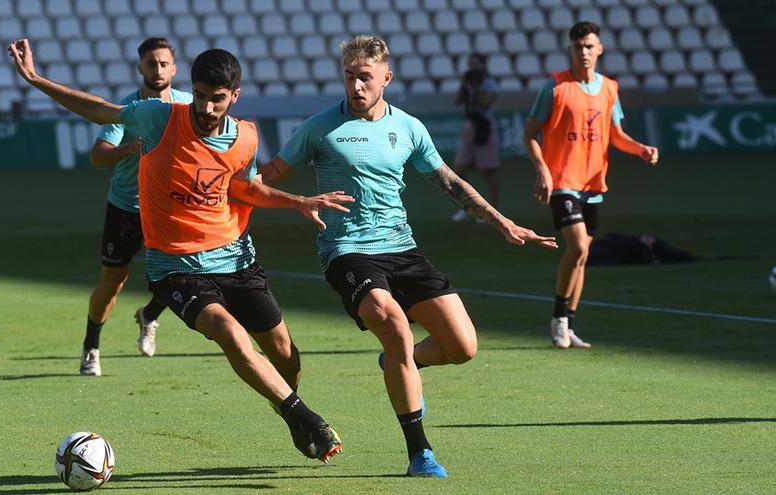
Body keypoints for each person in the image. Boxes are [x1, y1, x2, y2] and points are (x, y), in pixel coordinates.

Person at [8, 39, 349, 462]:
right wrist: (36, 79)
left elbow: (245, 188)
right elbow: (99, 109)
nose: (206, 108)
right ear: (192, 89)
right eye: (201, 97)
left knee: (284, 352)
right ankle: (302, 417)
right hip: (174, 265)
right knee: (228, 332)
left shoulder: (245, 137)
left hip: (234, 257)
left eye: (217, 100)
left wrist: (298, 202)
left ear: (234, 97)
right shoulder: (158, 116)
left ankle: (287, 405)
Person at [261, 35, 557, 478]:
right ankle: (420, 453)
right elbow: (263, 179)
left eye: (365, 77)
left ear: (386, 78)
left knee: (463, 347)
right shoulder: (319, 128)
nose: (356, 86)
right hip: (347, 252)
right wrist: (298, 200)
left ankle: (399, 362)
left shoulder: (410, 128)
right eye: (349, 76)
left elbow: (452, 183)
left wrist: (504, 223)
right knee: (395, 327)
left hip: (402, 248)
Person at [522, 21, 659, 349]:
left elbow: (616, 135)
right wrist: (542, 171)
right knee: (579, 247)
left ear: (600, 49)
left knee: (582, 256)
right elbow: (529, 134)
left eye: (589, 46)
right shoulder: (555, 87)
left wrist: (641, 149)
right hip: (563, 182)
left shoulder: (610, 88)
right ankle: (558, 317)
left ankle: (568, 323)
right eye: (577, 47)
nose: (583, 52)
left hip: (594, 183)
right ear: (570, 50)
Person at [81, 37, 193, 377]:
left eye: (163, 63)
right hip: (127, 207)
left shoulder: (187, 106)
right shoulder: (126, 111)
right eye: (151, 63)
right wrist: (130, 148)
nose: (157, 69)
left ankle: (150, 315)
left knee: (186, 275)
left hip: (169, 207)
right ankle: (91, 347)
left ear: (173, 68)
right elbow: (98, 157)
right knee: (112, 283)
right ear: (139, 67)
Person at [451, 53, 501, 221]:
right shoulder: (468, 83)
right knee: (458, 169)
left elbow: (484, 103)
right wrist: (466, 86)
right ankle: (467, 207)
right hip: (471, 124)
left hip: (484, 126)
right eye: (470, 65)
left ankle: (492, 211)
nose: (472, 68)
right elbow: (456, 101)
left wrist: (475, 87)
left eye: (475, 65)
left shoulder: (489, 83)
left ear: (484, 65)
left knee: (488, 171)